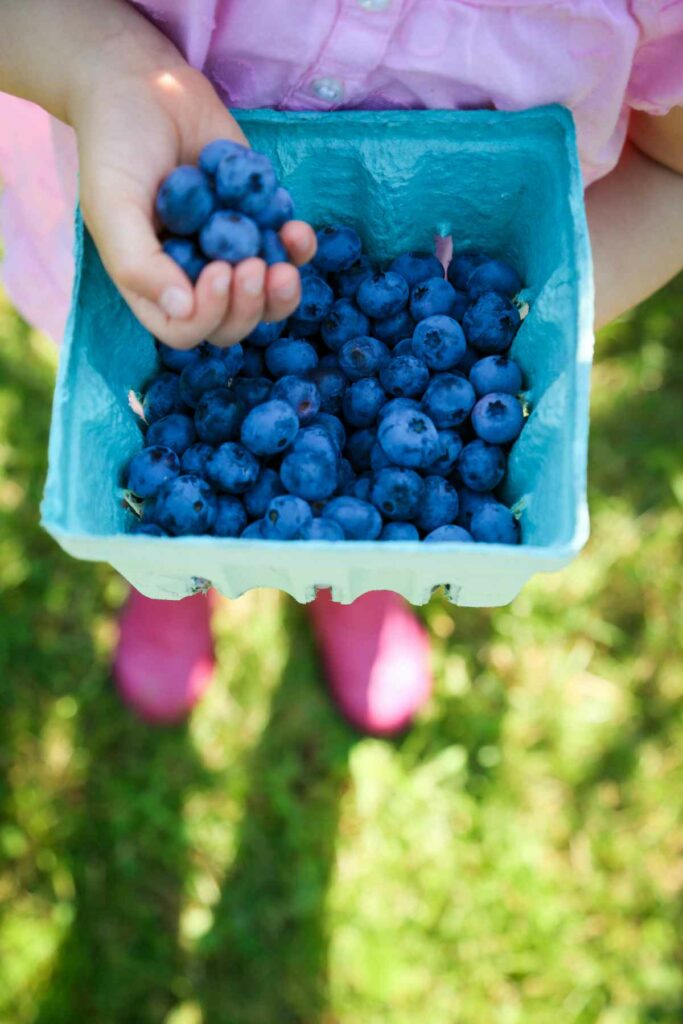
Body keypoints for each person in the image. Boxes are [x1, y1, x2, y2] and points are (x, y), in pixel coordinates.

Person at [1, 0, 681, 735]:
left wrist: (534, 331)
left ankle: (353, 583)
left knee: (346, 516)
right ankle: (174, 579)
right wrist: (101, 61)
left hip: (422, 302)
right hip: (141, 256)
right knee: (190, 489)